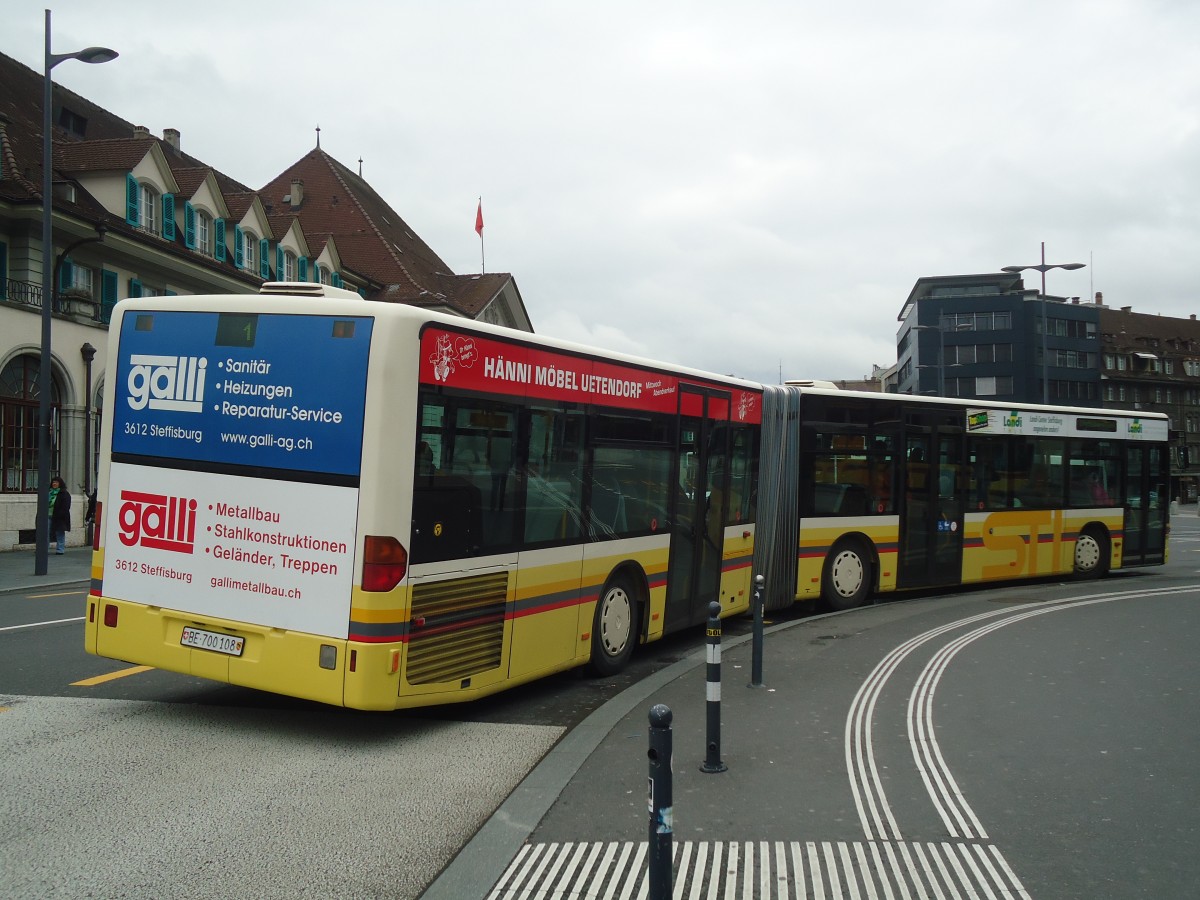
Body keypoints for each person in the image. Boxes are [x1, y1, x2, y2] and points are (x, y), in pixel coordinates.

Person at [47, 476, 71, 555]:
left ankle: (60, 549)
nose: (54, 484)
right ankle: (43, 548)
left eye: (56, 482)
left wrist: (61, 514)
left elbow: (66, 506)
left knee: (59, 532)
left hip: (59, 517)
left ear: (60, 484)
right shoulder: (48, 492)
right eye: (53, 482)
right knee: (45, 532)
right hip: (47, 515)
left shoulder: (64, 493)